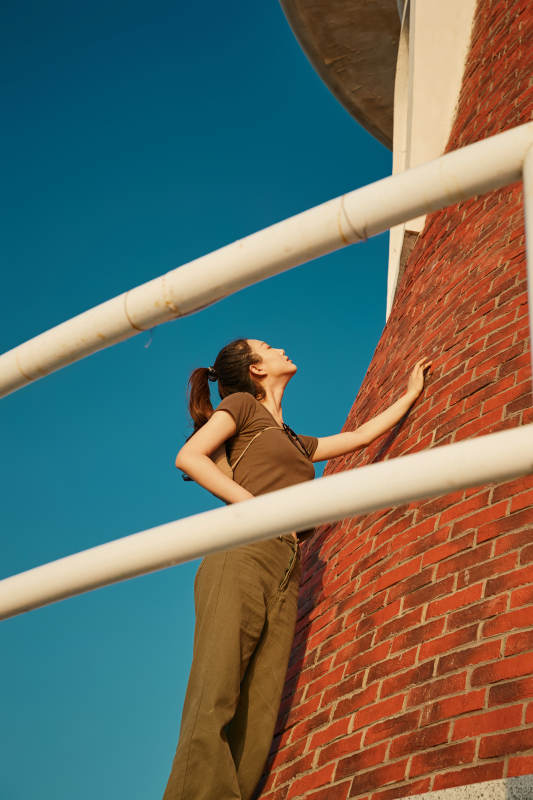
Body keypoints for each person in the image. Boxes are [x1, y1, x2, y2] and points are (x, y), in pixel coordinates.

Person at [163, 338, 431, 800]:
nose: (280, 349)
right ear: (255, 369)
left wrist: (409, 396)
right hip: (242, 551)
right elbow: (190, 456)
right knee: (217, 695)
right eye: (268, 347)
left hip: (288, 565)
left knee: (260, 714)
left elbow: (359, 438)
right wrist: (255, 508)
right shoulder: (242, 405)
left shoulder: (290, 438)